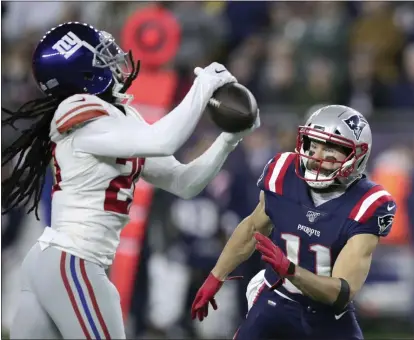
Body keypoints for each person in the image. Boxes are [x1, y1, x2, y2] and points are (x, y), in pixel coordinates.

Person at [2, 22, 259, 339]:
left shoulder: (120, 118)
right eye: (102, 56)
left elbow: (184, 182)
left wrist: (228, 140)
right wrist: (202, 87)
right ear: (82, 73)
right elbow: (163, 141)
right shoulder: (78, 108)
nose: (114, 60)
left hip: (61, 262)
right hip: (72, 261)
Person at [191, 105, 396, 339]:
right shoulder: (283, 171)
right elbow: (251, 229)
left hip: (329, 317)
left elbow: (340, 293)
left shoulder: (369, 203)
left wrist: (291, 271)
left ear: (356, 156)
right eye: (314, 145)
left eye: (331, 149)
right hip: (276, 300)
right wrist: (216, 276)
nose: (318, 157)